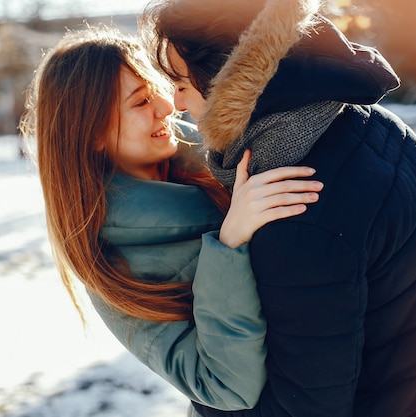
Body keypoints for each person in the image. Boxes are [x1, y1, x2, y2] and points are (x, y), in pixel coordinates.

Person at [141, 0, 416, 416]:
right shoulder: (370, 121)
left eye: (182, 84)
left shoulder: (292, 201)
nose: (177, 103)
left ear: (226, 77)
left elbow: (302, 404)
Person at [18, 24, 324, 414]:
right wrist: (228, 243)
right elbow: (224, 385)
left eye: (157, 89)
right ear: (91, 133)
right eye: (140, 102)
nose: (167, 107)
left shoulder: (217, 147)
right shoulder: (108, 264)